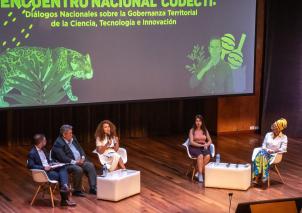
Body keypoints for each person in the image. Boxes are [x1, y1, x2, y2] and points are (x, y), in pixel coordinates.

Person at [27, 134, 76, 206]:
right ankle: (64, 199)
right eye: (45, 140)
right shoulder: (32, 153)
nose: (46, 141)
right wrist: (44, 168)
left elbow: (48, 160)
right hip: (43, 173)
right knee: (61, 176)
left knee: (63, 168)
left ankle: (64, 187)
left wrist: (54, 163)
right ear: (41, 142)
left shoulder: (43, 149)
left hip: (50, 168)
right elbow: (30, 165)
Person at [51, 125, 97, 196]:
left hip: (79, 161)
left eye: (71, 133)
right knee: (78, 169)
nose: (72, 135)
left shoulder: (73, 138)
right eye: (70, 133)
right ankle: (77, 190)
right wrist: (76, 162)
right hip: (66, 164)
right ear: (64, 135)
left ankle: (93, 188)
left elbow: (80, 148)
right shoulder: (58, 143)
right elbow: (63, 158)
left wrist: (82, 157)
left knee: (90, 165)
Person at [252, 118, 288, 187]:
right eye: (273, 126)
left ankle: (256, 178)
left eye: (275, 127)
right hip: (265, 152)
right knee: (262, 153)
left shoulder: (284, 137)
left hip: (275, 155)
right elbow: (263, 145)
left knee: (261, 155)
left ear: (279, 129)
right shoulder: (268, 134)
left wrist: (274, 151)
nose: (273, 128)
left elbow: (283, 148)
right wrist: (267, 150)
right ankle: (264, 176)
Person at [188, 115, 212, 183]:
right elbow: (191, 142)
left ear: (202, 122)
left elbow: (210, 140)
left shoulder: (205, 130)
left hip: (203, 146)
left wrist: (206, 144)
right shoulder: (192, 130)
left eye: (200, 121)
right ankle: (200, 174)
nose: (198, 123)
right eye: (197, 121)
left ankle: (198, 172)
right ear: (195, 122)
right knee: (200, 155)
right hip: (194, 146)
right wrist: (199, 145)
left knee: (207, 156)